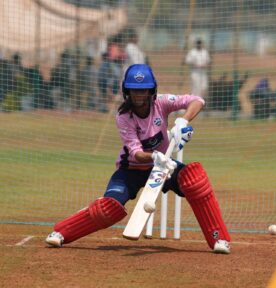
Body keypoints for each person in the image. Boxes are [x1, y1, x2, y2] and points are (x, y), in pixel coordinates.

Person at [45, 64, 231, 254]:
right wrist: (156, 156)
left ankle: (220, 239)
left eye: (143, 90)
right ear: (127, 91)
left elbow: (197, 100)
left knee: (194, 180)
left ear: (151, 90)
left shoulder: (162, 103)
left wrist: (183, 121)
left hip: (162, 167)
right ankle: (61, 232)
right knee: (108, 208)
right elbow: (136, 153)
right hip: (131, 170)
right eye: (135, 90)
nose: (139, 95)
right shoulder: (124, 116)